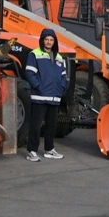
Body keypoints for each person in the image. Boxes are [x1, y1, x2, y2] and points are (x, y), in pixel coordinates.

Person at [25, 28, 67, 162]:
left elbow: (63, 76)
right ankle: (32, 151)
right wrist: (39, 87)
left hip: (54, 97)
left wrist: (61, 88)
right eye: (46, 39)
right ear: (42, 40)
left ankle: (49, 150)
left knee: (51, 126)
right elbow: (30, 73)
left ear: (54, 41)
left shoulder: (59, 58)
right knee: (36, 126)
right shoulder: (34, 54)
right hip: (40, 97)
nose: (49, 42)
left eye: (51, 40)